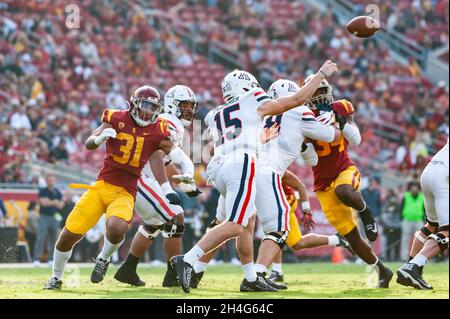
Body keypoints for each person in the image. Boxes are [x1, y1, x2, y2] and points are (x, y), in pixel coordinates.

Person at [171, 60, 339, 293]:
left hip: (219, 167)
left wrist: (261, 139)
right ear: (247, 86)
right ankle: (188, 259)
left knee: (245, 222)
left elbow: (236, 134)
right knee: (237, 223)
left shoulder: (215, 113)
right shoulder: (252, 98)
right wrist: (321, 74)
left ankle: (249, 277)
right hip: (241, 163)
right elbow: (294, 101)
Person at [44, 85, 194, 290]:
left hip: (126, 190)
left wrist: (182, 175)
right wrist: (98, 139)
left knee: (117, 228)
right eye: (144, 106)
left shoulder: (157, 129)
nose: (148, 112)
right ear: (133, 104)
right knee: (70, 234)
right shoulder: (116, 117)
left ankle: (103, 259)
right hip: (102, 186)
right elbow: (89, 143)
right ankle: (55, 277)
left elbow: (171, 155)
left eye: (152, 108)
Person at [303, 76, 393, 288]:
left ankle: (366, 213)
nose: (320, 95)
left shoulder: (340, 107)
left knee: (344, 190)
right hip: (322, 183)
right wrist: (304, 144)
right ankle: (382, 270)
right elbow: (311, 160)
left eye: (322, 90)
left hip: (345, 169)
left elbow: (356, 139)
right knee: (351, 237)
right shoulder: (303, 117)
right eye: (315, 91)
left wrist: (340, 121)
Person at [114, 85, 200, 287]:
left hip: (144, 177)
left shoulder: (170, 123)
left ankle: (128, 269)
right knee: (175, 216)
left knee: (154, 223)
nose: (189, 110)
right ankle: (172, 275)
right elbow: (157, 154)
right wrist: (168, 188)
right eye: (185, 105)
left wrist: (186, 184)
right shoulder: (169, 122)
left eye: (191, 106)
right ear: (172, 105)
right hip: (139, 176)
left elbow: (167, 163)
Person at [397, 140, 449, 289]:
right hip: (443, 177)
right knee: (447, 231)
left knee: (432, 225)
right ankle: (414, 267)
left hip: (429, 171)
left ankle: (410, 266)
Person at [33, 173, 64, 266]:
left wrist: (51, 202)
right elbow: (43, 203)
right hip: (44, 216)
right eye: (49, 180)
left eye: (53, 180)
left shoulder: (58, 192)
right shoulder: (42, 191)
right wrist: (55, 202)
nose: (51, 182)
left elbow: (61, 205)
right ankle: (36, 259)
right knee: (40, 237)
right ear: (46, 181)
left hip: (54, 217)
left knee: (53, 239)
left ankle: (51, 259)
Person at [400, 181, 425, 261]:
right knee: (405, 239)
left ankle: (419, 256)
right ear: (410, 189)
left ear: (418, 189)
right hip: (407, 220)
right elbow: (401, 207)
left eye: (416, 187)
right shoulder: (406, 196)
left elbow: (424, 210)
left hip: (418, 220)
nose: (414, 189)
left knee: (420, 239)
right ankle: (404, 256)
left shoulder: (422, 197)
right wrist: (401, 219)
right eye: (412, 187)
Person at [381, 190, 402, 261]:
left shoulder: (399, 206)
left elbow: (401, 216)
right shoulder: (386, 206)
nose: (393, 199)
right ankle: (388, 258)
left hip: (397, 228)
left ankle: (396, 258)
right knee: (389, 243)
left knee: (397, 244)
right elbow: (383, 216)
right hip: (388, 228)